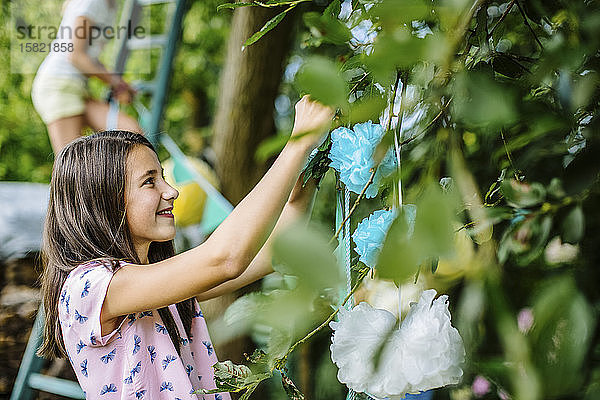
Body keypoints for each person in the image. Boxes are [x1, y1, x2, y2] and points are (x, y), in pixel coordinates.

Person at [37, 96, 333, 399]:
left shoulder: (155, 282)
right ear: (106, 201)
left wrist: (305, 176)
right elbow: (225, 259)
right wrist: (297, 142)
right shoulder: (91, 286)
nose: (172, 191)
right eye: (150, 182)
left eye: (163, 177)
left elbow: (274, 252)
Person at [32, 0, 142, 154]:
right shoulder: (90, 2)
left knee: (131, 134)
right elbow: (75, 56)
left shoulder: (110, 5)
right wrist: (116, 82)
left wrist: (119, 84)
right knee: (73, 166)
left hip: (78, 89)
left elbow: (91, 57)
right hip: (58, 86)